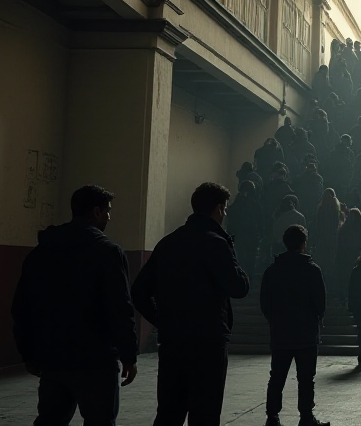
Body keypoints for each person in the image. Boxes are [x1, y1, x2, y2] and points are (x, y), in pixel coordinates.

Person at [11, 185, 138, 426]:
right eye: (108, 211)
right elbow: (120, 307)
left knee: (50, 420)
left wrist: (28, 352)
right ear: (96, 211)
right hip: (95, 359)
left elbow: (21, 306)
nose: (109, 217)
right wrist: (128, 355)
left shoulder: (42, 252)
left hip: (53, 357)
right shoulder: (108, 252)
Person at [132, 183, 250, 426]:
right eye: (224, 210)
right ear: (218, 209)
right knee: (205, 414)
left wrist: (162, 320)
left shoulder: (168, 243)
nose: (225, 215)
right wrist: (229, 245)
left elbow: (139, 291)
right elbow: (239, 287)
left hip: (173, 341)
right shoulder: (216, 243)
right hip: (208, 343)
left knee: (169, 412)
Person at [260, 225, 330, 426]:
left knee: (277, 377)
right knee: (306, 378)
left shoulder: (272, 271)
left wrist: (275, 320)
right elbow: (320, 302)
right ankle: (306, 416)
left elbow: (265, 303)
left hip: (280, 332)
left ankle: (272, 416)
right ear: (302, 244)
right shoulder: (312, 270)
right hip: (306, 334)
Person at [227, 180, 263, 280]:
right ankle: (249, 278)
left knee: (240, 257)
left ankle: (239, 278)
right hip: (252, 235)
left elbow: (231, 219)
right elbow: (260, 221)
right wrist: (260, 233)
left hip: (239, 235)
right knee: (250, 259)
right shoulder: (255, 204)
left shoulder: (236, 204)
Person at [336, 208, 361, 304]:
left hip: (347, 257)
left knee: (347, 278)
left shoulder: (344, 229)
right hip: (358, 256)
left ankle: (346, 297)